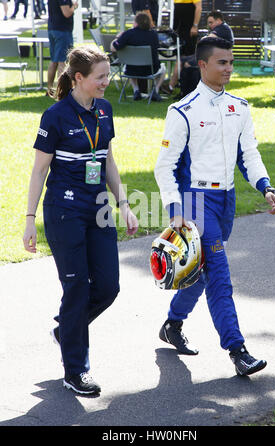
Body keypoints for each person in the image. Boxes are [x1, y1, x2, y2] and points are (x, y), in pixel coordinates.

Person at [154, 37, 275, 376]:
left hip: (226, 201)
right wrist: (174, 207)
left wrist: (264, 185)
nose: (229, 68)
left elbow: (248, 153)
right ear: (203, 65)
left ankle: (172, 325)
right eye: (222, 63)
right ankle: (237, 350)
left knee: (201, 274)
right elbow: (163, 167)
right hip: (195, 202)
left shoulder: (239, 106)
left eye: (231, 62)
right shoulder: (182, 111)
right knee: (220, 276)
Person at [23, 45, 139, 395]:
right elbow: (39, 170)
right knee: (75, 288)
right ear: (78, 78)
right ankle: (76, 370)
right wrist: (29, 219)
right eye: (100, 77)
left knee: (107, 287)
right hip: (64, 210)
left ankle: (67, 330)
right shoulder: (55, 115)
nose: (107, 81)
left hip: (99, 208)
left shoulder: (104, 109)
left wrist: (124, 204)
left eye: (107, 75)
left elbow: (107, 161)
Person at [111, 11, 166, 102]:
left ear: (136, 22)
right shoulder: (153, 35)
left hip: (131, 70)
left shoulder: (128, 34)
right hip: (150, 70)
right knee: (163, 68)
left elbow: (113, 48)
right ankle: (155, 91)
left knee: (130, 65)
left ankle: (136, 90)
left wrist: (117, 38)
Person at [47, 0, 78, 95]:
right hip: (62, 31)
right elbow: (67, 13)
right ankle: (62, 90)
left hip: (53, 28)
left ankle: (50, 89)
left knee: (54, 60)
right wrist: (74, 6)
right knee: (62, 61)